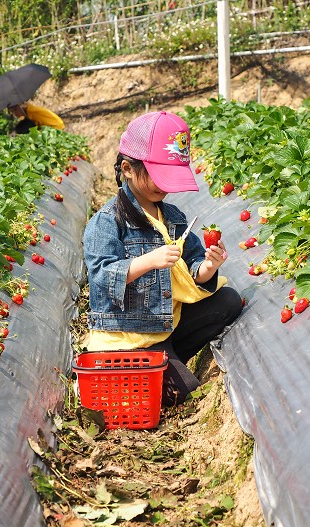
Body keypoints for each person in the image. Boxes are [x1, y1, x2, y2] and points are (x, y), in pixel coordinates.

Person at [82, 111, 243, 406]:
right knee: (186, 393)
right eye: (158, 177)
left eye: (170, 177)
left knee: (229, 301)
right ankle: (153, 368)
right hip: (129, 337)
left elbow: (194, 265)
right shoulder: (107, 221)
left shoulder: (173, 216)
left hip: (164, 322)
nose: (164, 187)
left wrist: (209, 266)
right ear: (127, 169)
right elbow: (102, 277)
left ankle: (169, 361)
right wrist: (149, 261)